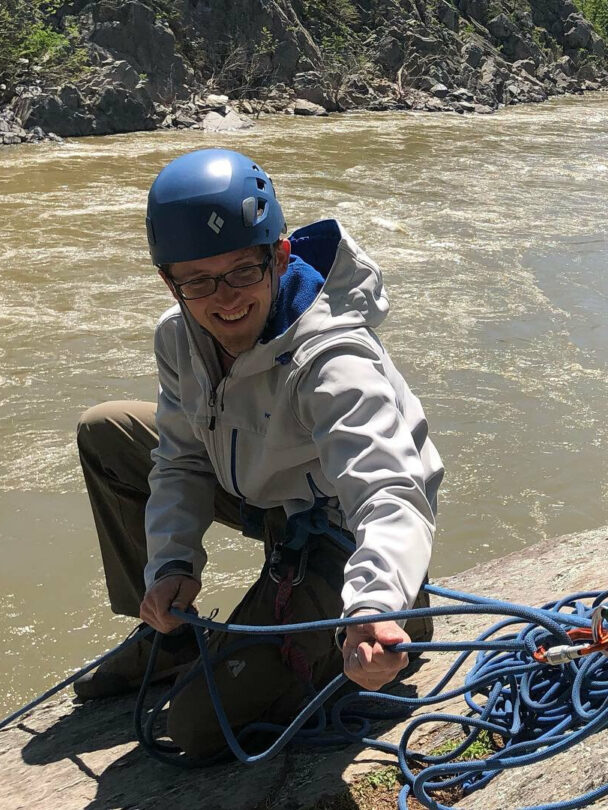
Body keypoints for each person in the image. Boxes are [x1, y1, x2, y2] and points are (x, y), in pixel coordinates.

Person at [75, 148, 444, 758]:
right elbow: (182, 459)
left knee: (196, 727)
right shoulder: (178, 336)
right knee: (107, 430)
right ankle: (161, 630)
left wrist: (375, 600)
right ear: (169, 279)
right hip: (256, 485)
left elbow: (388, 491)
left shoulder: (334, 358)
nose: (225, 300)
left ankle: (395, 614)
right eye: (197, 280)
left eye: (243, 272)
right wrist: (170, 566)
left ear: (279, 256)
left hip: (336, 525)